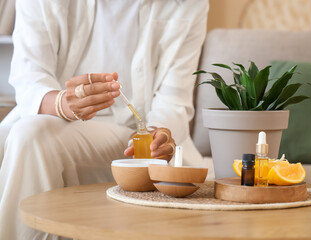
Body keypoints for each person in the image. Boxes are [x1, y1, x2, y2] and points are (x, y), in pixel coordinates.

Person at [0, 0, 209, 239]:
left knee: (32, 135)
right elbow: (29, 75)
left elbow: (173, 102)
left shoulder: (190, 4)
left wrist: (154, 137)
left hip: (126, 134)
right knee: (18, 135)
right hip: (51, 114)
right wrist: (64, 104)